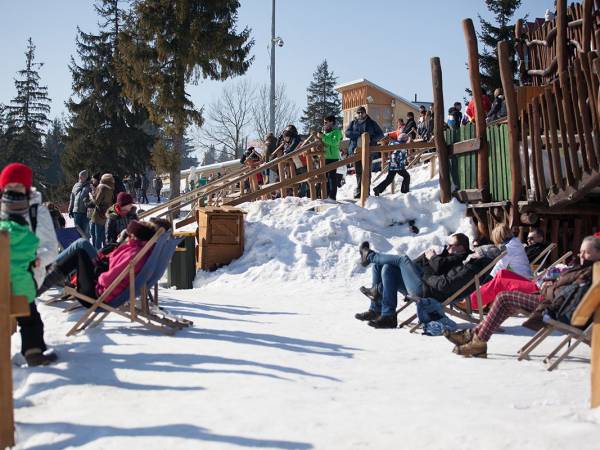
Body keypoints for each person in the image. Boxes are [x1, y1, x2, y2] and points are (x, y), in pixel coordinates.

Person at [445, 236, 600, 358]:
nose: (581, 255)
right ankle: (474, 337)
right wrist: (552, 284)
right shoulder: (586, 268)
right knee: (506, 299)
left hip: (553, 308)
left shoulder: (592, 273)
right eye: (581, 251)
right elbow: (567, 290)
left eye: (586, 252)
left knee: (504, 297)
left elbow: (571, 297)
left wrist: (550, 289)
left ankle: (476, 339)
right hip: (548, 297)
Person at [0, 163, 58, 366]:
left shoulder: (37, 212)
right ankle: (34, 350)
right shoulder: (2, 208)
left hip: (28, 274)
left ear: (26, 187)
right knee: (28, 315)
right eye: (9, 185)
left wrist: (35, 261)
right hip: (5, 276)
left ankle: (33, 350)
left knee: (28, 313)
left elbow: (51, 248)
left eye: (17, 185)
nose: (13, 189)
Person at [356, 233, 473, 328]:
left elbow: (439, 268)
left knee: (402, 259)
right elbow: (429, 266)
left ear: (461, 247)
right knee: (385, 266)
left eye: (451, 245)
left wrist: (432, 257)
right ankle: (381, 312)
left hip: (426, 291)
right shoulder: (448, 255)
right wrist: (420, 262)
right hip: (419, 282)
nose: (447, 247)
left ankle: (370, 256)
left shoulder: (460, 259)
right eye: (447, 244)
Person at [345, 106, 384, 199]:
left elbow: (380, 134)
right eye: (358, 113)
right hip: (356, 150)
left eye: (362, 112)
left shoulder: (371, 123)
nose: (360, 114)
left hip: (368, 150)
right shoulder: (353, 122)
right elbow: (347, 133)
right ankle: (359, 191)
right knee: (358, 172)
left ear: (365, 113)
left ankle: (366, 191)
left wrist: (371, 139)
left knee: (366, 171)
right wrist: (358, 134)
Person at [319, 115, 343, 201]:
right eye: (324, 122)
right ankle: (326, 195)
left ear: (331, 122)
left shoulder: (337, 132)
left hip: (333, 157)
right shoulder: (325, 132)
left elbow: (334, 142)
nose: (324, 124)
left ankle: (332, 196)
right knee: (325, 177)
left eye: (326, 122)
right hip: (324, 157)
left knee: (332, 177)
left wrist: (323, 137)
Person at [89, 173, 115, 250]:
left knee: (95, 235)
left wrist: (91, 196)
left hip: (97, 214)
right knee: (102, 235)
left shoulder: (102, 187)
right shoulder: (111, 188)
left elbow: (96, 202)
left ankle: (96, 253)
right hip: (106, 213)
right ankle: (104, 251)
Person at [68, 170, 92, 236]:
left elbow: (92, 198)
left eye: (82, 176)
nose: (80, 178)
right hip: (76, 212)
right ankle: (78, 245)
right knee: (77, 231)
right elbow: (72, 198)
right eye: (80, 176)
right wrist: (70, 209)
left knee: (85, 232)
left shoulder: (90, 186)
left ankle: (85, 244)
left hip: (85, 212)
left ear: (86, 177)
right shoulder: (76, 185)